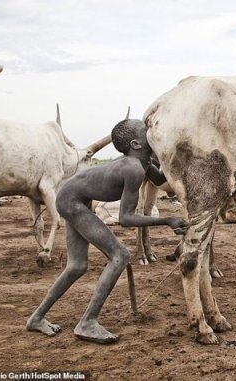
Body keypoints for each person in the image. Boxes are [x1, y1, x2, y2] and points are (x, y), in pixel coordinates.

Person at [26, 119, 188, 343]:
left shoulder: (143, 164)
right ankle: (87, 322)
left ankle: (36, 318)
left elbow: (162, 179)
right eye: (147, 131)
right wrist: (168, 220)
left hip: (74, 196)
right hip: (71, 201)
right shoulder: (132, 168)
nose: (152, 132)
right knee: (120, 255)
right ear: (136, 144)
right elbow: (126, 218)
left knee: (77, 266)